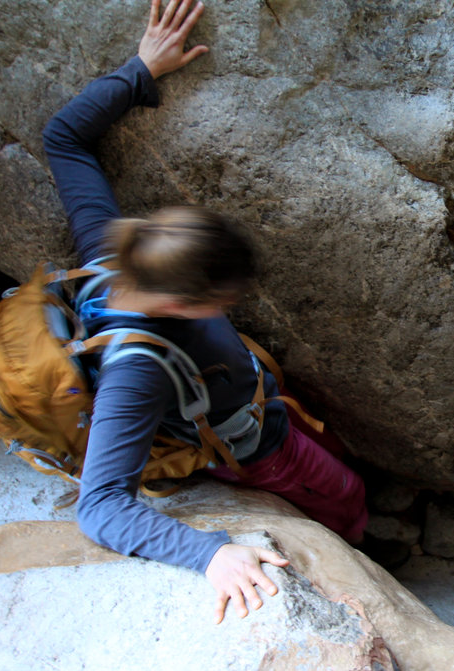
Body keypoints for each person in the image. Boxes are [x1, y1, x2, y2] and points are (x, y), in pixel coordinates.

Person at [41, 0, 367, 624]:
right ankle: (357, 547)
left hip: (259, 401)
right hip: (257, 448)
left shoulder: (112, 248)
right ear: (177, 304)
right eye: (221, 301)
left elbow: (64, 139)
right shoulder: (136, 371)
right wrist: (209, 555)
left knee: (339, 453)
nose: (231, 306)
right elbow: (101, 506)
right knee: (346, 492)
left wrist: (141, 69)